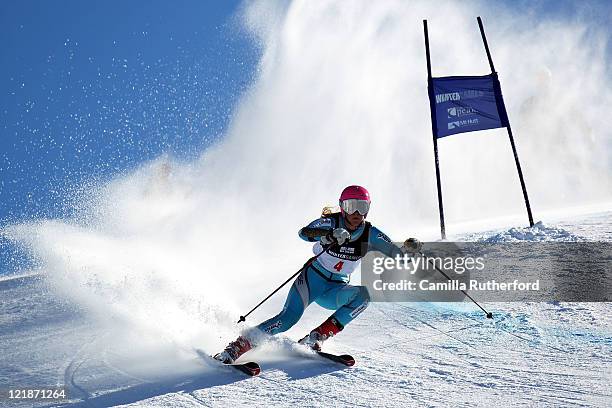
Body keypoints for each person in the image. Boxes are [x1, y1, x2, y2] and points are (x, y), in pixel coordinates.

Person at [214, 185, 422, 363]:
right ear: (342, 207)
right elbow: (304, 233)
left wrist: (410, 251)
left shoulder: (371, 233)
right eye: (351, 206)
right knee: (287, 320)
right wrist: (328, 234)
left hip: (335, 289)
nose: (356, 213)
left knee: (363, 296)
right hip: (312, 281)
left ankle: (315, 338)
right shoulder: (331, 222)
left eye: (362, 207)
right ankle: (235, 348)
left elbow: (397, 256)